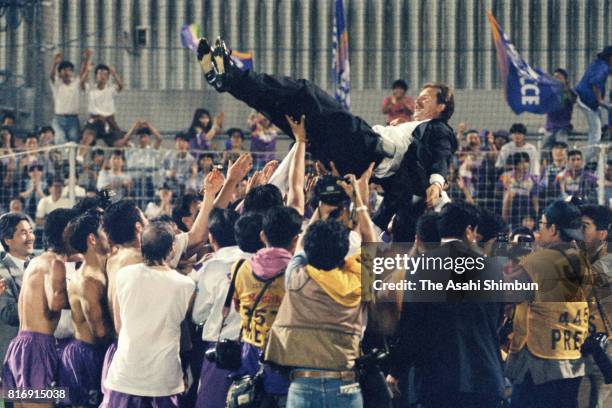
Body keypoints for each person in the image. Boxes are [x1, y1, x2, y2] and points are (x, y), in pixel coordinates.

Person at [196, 38, 457, 232]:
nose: (418, 103)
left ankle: (235, 77)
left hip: (364, 148)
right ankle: (227, 80)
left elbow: (442, 152)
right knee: (289, 115)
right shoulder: (408, 129)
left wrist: (436, 182)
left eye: (425, 99)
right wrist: (370, 233)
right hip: (351, 160)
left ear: (442, 106)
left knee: (305, 93)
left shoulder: (438, 128)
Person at [387, 201, 505, 408]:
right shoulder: (493, 268)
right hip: (486, 380)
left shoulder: (422, 267)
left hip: (439, 382)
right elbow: (495, 320)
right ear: (468, 230)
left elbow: (411, 326)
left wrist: (397, 371)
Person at [505, 200, 593, 408]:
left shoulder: (538, 262)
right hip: (573, 357)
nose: (538, 231)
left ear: (554, 229)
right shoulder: (582, 261)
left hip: (540, 362)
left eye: (542, 225)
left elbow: (508, 295)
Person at [101, 222, 195, 407]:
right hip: (163, 376)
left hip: (126, 372)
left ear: (142, 246)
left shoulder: (124, 275)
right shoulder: (186, 285)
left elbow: (119, 327)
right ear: (172, 248)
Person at [1, 208, 74, 408]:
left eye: (31, 231)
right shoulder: (53, 263)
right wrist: (87, 295)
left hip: (21, 348)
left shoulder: (35, 262)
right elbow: (56, 302)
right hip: (37, 349)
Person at [231, 206, 303, 405]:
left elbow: (238, 307)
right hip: (287, 363)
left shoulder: (240, 268)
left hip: (250, 362)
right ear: (296, 240)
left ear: (262, 236)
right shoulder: (300, 273)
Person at [59, 210, 113, 407]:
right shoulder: (88, 281)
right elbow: (99, 332)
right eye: (104, 231)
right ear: (92, 239)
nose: (110, 235)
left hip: (93, 352)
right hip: (87, 356)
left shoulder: (100, 272)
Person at [579, 205, 611, 408]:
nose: (579, 232)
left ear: (603, 233)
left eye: (584, 226)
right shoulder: (584, 257)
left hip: (607, 348)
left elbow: (583, 283)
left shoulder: (608, 260)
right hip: (585, 345)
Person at [0, 214, 35, 369]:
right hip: (14, 358)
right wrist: (36, 290)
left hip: (39, 352)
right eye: (23, 233)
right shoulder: (2, 272)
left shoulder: (37, 264)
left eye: (31, 231)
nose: (30, 237)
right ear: (7, 240)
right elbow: (8, 314)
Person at [575, 46, 612, 164]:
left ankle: (589, 157)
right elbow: (595, 82)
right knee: (596, 133)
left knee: (595, 128)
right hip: (587, 102)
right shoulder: (603, 67)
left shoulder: (599, 63)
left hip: (584, 98)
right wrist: (600, 100)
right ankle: (586, 161)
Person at [49, 50, 91, 144]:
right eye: (63, 70)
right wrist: (55, 63)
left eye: (69, 70)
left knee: (74, 139)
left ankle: (72, 159)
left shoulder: (76, 83)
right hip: (59, 118)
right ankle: (61, 158)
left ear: (72, 72)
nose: (66, 73)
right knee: (60, 139)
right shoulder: (57, 84)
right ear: (59, 73)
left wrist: (86, 59)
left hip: (73, 118)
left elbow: (82, 73)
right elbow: (51, 76)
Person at [84, 64, 124, 145]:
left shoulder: (111, 89)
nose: (102, 76)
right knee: (86, 139)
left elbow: (121, 86)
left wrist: (114, 74)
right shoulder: (90, 88)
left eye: (105, 74)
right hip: (95, 121)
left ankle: (118, 156)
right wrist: (87, 71)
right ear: (96, 76)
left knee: (120, 143)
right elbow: (82, 83)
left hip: (109, 121)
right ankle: (80, 157)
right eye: (100, 74)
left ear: (108, 77)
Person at [500, 152, 539, 230]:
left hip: (526, 202)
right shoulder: (506, 176)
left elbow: (535, 198)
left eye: (527, 162)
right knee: (508, 195)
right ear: (516, 164)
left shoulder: (533, 178)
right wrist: (507, 188)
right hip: (511, 201)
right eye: (522, 162)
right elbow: (498, 192)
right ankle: (505, 225)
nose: (525, 164)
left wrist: (536, 214)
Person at [543, 68, 576, 150]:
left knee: (561, 148)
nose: (556, 79)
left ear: (565, 80)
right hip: (550, 128)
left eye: (559, 77)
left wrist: (566, 88)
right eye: (554, 77)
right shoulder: (550, 93)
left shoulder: (569, 92)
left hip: (563, 128)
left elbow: (573, 99)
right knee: (544, 151)